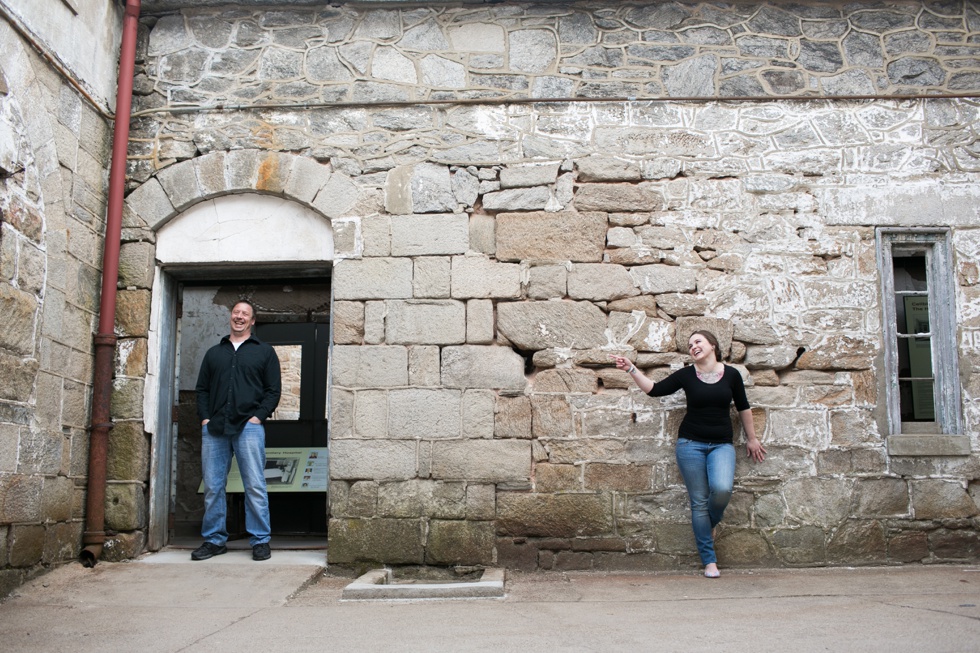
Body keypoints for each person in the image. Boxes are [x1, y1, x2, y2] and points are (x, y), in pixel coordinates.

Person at [610, 330, 766, 578]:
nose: (693, 346)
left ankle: (707, 526)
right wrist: (631, 368)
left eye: (698, 341)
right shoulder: (686, 374)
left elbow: (743, 407)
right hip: (690, 445)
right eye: (689, 344)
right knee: (699, 502)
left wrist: (752, 438)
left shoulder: (732, 375)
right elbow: (654, 389)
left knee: (722, 489)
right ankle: (709, 561)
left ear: (713, 345)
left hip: (722, 445)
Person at [193, 300, 281, 562]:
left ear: (252, 321)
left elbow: (272, 391)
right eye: (236, 313)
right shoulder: (213, 353)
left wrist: (258, 417)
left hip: (248, 428)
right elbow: (202, 390)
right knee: (213, 487)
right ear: (230, 317)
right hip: (215, 428)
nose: (239, 317)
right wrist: (205, 419)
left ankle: (260, 541)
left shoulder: (264, 352)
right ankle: (214, 540)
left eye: (245, 314)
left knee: (254, 485)